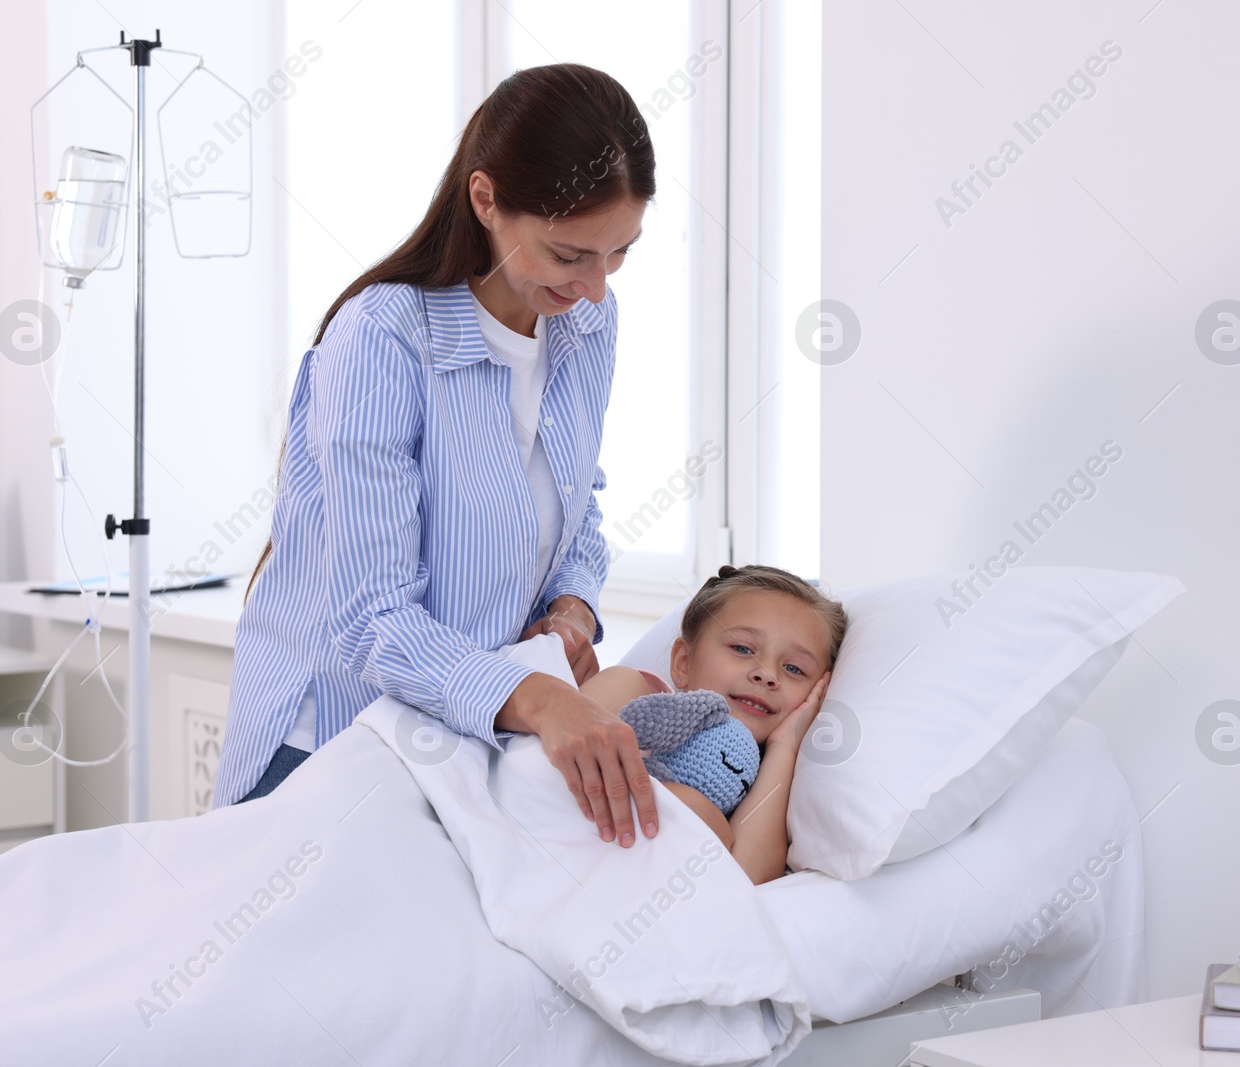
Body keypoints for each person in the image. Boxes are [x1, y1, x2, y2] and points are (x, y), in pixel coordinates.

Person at [215, 63, 664, 851]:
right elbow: (372, 619)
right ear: (486, 199)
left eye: (618, 253)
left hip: (461, 742)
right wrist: (534, 696)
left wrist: (573, 605)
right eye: (569, 255)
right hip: (330, 741)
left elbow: (576, 496)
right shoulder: (383, 338)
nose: (596, 286)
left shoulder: (587, 324)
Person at [579, 564, 849, 883]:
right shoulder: (634, 692)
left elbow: (745, 877)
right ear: (683, 662)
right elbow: (550, 770)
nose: (767, 674)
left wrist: (784, 747)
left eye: (793, 668)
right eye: (742, 648)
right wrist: (685, 802)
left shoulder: (761, 785)